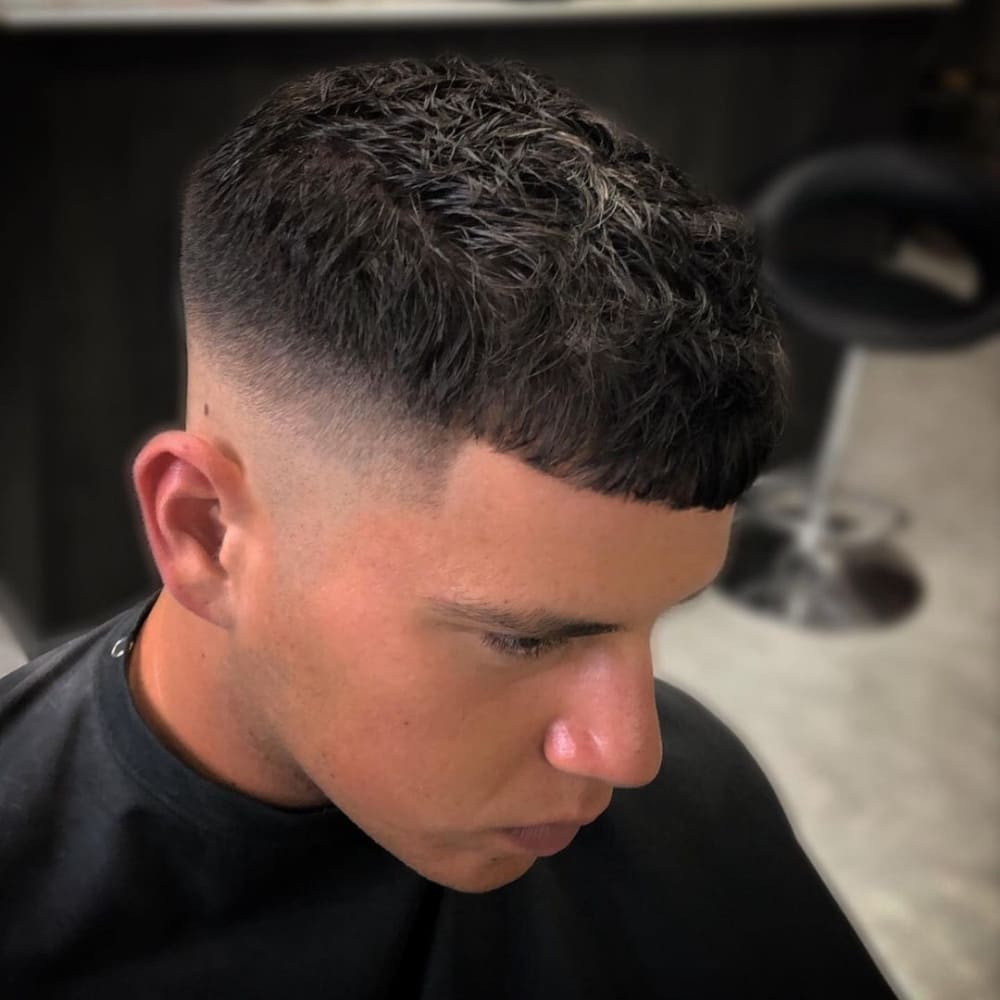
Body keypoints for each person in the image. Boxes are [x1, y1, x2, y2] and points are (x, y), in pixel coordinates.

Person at [0, 56, 898, 998]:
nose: (631, 754)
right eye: (521, 637)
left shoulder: (701, 800)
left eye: (658, 617)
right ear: (205, 531)